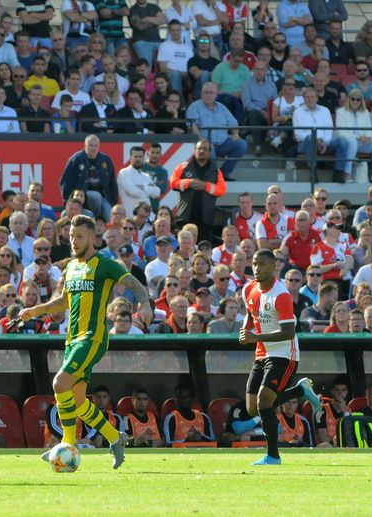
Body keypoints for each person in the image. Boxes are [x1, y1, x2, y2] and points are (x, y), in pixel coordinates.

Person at [20, 215, 152, 469]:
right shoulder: (71, 267)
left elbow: (134, 283)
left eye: (79, 236)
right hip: (72, 338)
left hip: (92, 338)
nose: (74, 240)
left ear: (92, 237)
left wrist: (144, 304)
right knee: (79, 402)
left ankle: (67, 444)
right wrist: (35, 310)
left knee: (60, 383)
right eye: (71, 236)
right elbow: (63, 301)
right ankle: (116, 438)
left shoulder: (105, 265)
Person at [239, 248, 323, 465]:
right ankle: (300, 390)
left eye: (262, 264)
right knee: (251, 408)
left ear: (274, 266)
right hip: (262, 353)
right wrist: (245, 330)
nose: (257, 268)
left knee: (264, 401)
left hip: (285, 352)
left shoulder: (281, 295)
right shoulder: (249, 289)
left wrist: (255, 335)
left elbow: (289, 332)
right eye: (255, 264)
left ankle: (273, 456)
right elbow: (250, 313)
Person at [186, 82, 247, 180]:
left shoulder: (221, 107)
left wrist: (235, 134)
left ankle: (223, 173)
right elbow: (192, 126)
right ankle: (212, 175)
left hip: (223, 141)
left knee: (241, 144)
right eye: (205, 92)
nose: (208, 95)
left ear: (216, 94)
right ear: (201, 93)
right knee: (210, 150)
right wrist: (203, 141)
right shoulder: (194, 107)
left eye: (211, 93)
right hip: (204, 142)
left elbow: (233, 122)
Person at [170, 139, 227, 244]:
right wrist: (189, 183)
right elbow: (173, 183)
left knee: (203, 248)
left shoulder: (215, 170)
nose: (201, 151)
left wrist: (206, 186)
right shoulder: (183, 167)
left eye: (205, 149)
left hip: (205, 219)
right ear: (195, 151)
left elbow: (222, 190)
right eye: (199, 148)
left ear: (209, 152)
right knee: (183, 246)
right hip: (185, 217)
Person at [60, 135, 117, 222]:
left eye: (95, 146)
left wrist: (113, 202)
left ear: (99, 146)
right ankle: (96, 220)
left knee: (109, 213)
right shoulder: (76, 159)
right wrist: (67, 201)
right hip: (82, 194)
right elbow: (66, 181)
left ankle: (103, 231)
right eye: (90, 145)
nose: (93, 148)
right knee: (95, 196)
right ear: (85, 145)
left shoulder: (105, 160)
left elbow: (112, 183)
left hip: (104, 196)